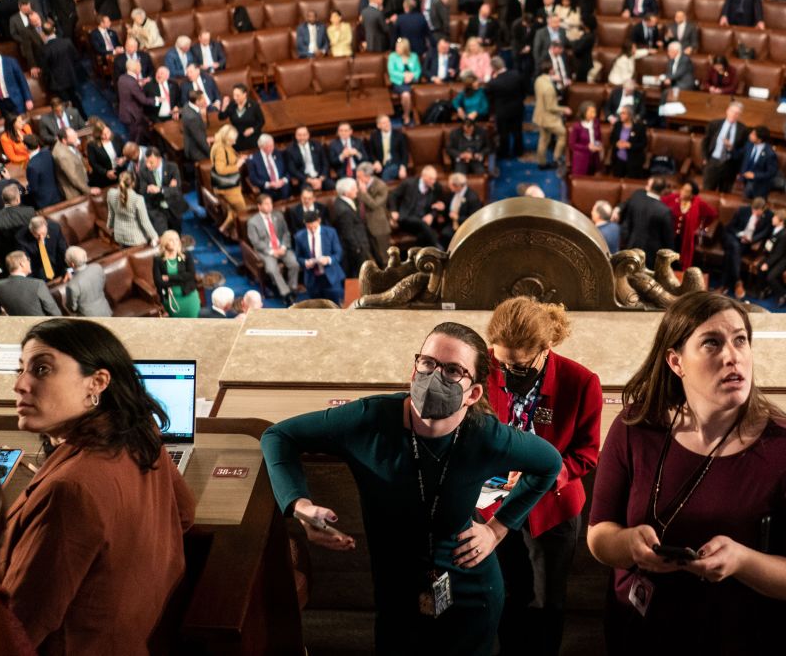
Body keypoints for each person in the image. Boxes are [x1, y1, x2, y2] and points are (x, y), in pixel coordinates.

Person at [263, 321, 560, 655]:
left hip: (470, 591)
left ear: (474, 393)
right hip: (396, 592)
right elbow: (278, 436)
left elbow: (549, 464)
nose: (435, 376)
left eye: (453, 370)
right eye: (428, 363)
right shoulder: (369, 420)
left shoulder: (485, 435)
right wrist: (301, 507)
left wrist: (498, 529)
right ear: (414, 369)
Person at [587, 293, 786, 653]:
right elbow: (598, 536)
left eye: (740, 340)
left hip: (732, 636)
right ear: (676, 361)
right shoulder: (634, 427)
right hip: (637, 626)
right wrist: (630, 547)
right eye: (712, 343)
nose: (732, 356)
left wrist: (742, 561)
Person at [2, 318, 194, 653]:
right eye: (20, 370)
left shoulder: (69, 489)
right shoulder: (139, 431)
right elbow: (184, 514)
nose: (20, 385)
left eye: (42, 369)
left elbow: (19, 628)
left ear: (97, 382)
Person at [482, 298, 602, 656]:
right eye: (501, 363)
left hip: (552, 510)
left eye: (517, 366)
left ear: (544, 350)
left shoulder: (580, 382)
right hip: (497, 502)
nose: (505, 372)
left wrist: (548, 475)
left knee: (546, 600)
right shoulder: (488, 366)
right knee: (505, 592)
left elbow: (587, 453)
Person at [248, 194, 300, 303]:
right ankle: (286, 293)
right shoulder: (253, 222)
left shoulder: (278, 215)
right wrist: (272, 251)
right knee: (272, 269)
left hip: (282, 248)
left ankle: (292, 288)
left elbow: (286, 233)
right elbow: (255, 242)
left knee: (294, 264)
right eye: (266, 204)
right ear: (259, 206)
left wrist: (284, 247)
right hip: (266, 251)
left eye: (270, 203)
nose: (270, 206)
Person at [661, 181, 718, 272]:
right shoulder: (673, 198)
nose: (683, 192)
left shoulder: (698, 203)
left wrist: (702, 226)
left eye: (687, 191)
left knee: (680, 262)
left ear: (692, 195)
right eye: (683, 189)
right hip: (670, 236)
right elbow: (659, 203)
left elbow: (712, 214)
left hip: (685, 239)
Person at [153, 230, 199, 317]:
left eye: (177, 239)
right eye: (171, 240)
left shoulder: (186, 255)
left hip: (189, 295)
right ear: (165, 242)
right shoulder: (158, 259)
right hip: (172, 299)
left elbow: (191, 275)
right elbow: (158, 282)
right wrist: (181, 279)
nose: (175, 242)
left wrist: (169, 278)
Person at [532, 63, 569, 171]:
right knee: (563, 134)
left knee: (543, 139)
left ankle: (541, 162)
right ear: (551, 71)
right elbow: (551, 107)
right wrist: (564, 109)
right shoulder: (549, 88)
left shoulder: (538, 80)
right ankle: (556, 158)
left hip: (540, 115)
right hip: (549, 118)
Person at [62, 245, 111, 317]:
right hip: (105, 311)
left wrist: (73, 280)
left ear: (72, 264)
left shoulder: (72, 285)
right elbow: (102, 284)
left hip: (89, 319)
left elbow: (72, 308)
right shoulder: (97, 267)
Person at [388, 37, 422, 124]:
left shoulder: (414, 56)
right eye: (396, 47)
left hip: (413, 81)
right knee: (406, 95)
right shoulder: (392, 56)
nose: (396, 49)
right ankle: (406, 115)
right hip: (399, 82)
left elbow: (418, 70)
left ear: (405, 48)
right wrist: (404, 76)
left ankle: (416, 114)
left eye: (398, 47)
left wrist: (412, 75)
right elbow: (391, 71)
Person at [220, 84, 264, 151]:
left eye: (237, 95)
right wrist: (224, 106)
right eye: (234, 95)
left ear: (244, 94)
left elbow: (261, 121)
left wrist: (253, 129)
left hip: (252, 137)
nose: (235, 98)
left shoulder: (254, 105)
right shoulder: (232, 105)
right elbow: (221, 117)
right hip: (237, 138)